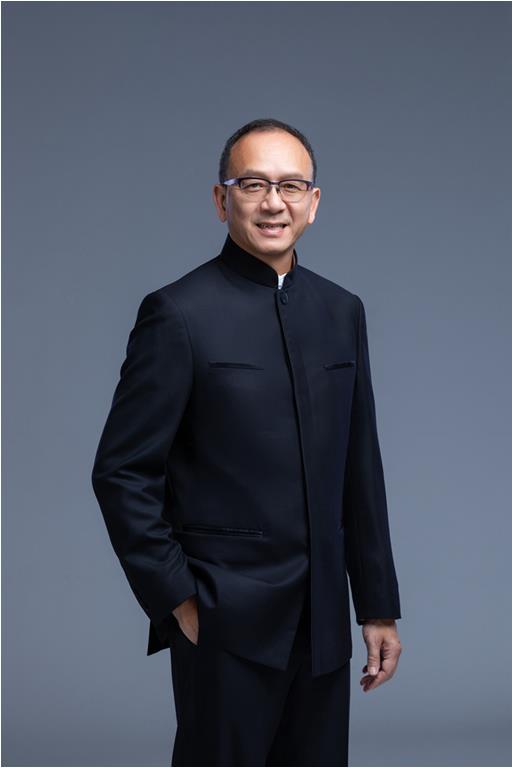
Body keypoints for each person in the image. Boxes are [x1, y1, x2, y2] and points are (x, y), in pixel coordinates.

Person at [91, 117, 403, 766]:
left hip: (323, 622)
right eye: (253, 184)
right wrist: (178, 599)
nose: (273, 202)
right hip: (224, 617)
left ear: (314, 202)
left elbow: (360, 468)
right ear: (221, 199)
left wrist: (377, 607)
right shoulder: (178, 312)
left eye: (291, 186)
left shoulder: (341, 311)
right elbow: (121, 471)